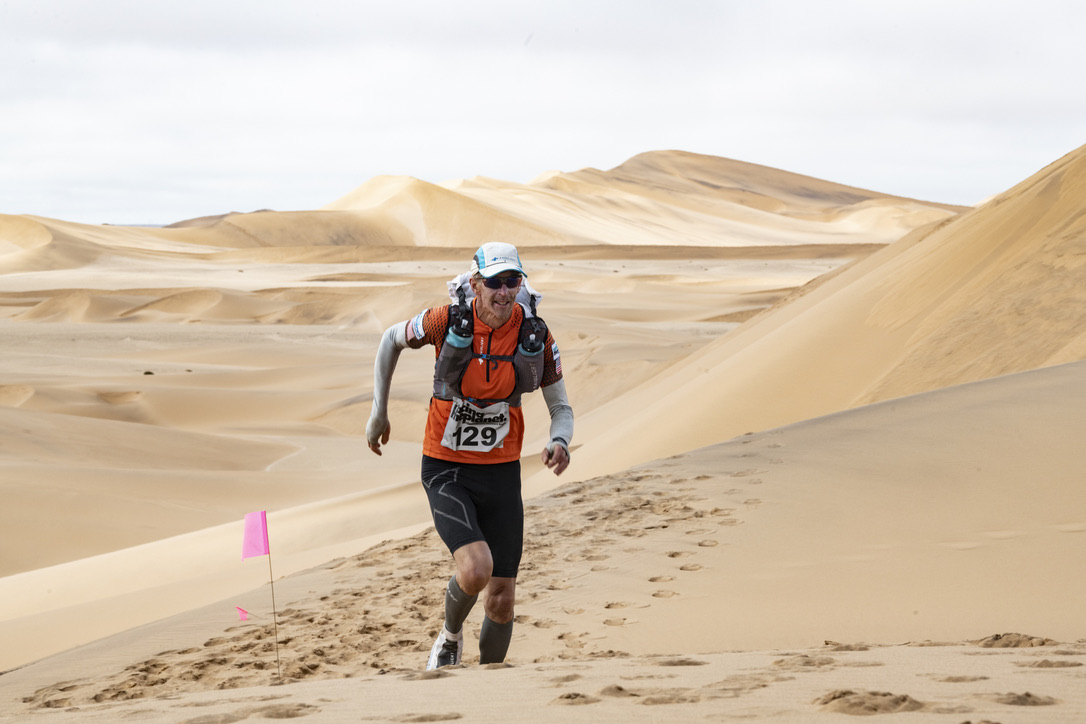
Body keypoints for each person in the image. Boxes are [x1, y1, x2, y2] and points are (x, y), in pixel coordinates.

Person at [366, 242, 574, 669]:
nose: (503, 292)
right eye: (494, 282)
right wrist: (378, 411)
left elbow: (561, 408)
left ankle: (488, 690)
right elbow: (391, 339)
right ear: (475, 284)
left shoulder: (534, 332)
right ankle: (449, 636)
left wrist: (561, 441)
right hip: (446, 467)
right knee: (476, 568)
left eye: (511, 281)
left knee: (501, 600)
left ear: (521, 283)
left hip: (501, 474)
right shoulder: (445, 321)